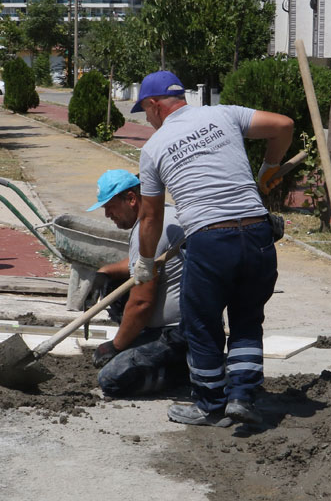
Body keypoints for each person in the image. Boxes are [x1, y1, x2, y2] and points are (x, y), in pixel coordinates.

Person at [131, 70, 294, 427]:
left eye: (144, 112)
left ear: (154, 105)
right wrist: (270, 167)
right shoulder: (223, 114)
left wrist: (144, 263)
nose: (147, 120)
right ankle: (242, 396)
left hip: (210, 240)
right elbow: (283, 125)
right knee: (247, 319)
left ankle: (210, 404)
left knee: (202, 324)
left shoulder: (153, 149)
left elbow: (149, 217)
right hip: (257, 233)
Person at [85, 169, 189, 398]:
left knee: (112, 379)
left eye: (110, 206)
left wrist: (116, 346)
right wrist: (105, 272)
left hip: (178, 333)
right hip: (192, 326)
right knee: (114, 285)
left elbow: (142, 302)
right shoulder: (164, 213)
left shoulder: (149, 229)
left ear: (131, 199)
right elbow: (141, 264)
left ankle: (188, 374)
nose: (107, 214)